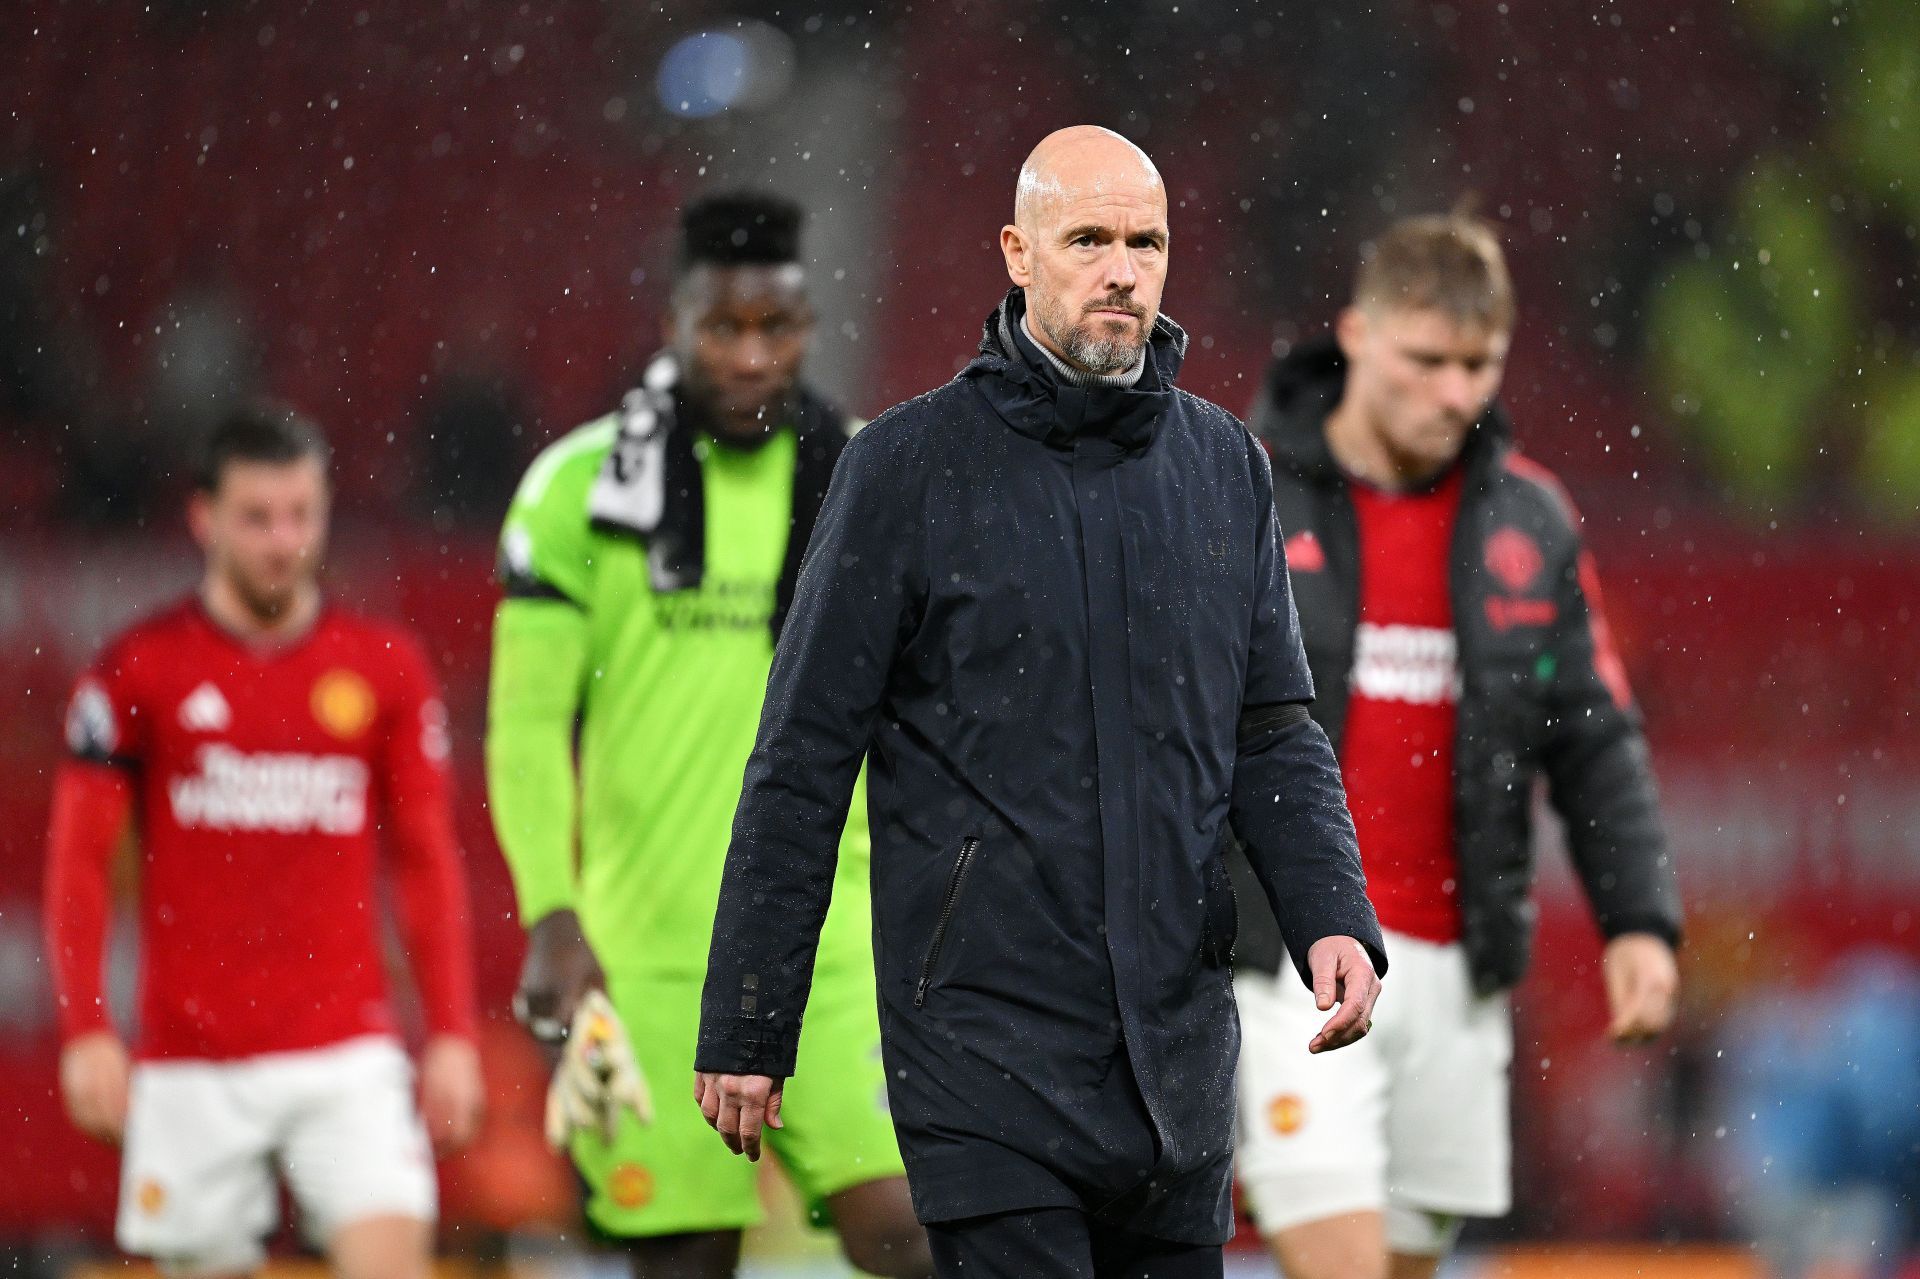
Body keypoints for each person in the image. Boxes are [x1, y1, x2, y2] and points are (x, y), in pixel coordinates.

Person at [693, 126, 1387, 1279]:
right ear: (1018, 253)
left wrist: (1332, 910)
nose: (1123, 268)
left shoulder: (1228, 468)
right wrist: (750, 1019)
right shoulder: (905, 469)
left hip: (1176, 1055)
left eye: (1146, 242)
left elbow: (1273, 729)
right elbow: (803, 759)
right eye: (1089, 239)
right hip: (982, 1053)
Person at [1230, 211, 1684, 1279]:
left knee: (1399, 1266)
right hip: (1293, 957)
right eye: (1426, 360)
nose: (1455, 393)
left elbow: (1596, 739)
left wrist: (1639, 918)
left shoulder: (1529, 522)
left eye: (1477, 364)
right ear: (1356, 336)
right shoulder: (1243, 493)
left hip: (1457, 969)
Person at [486, 192, 930, 1279]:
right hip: (651, 959)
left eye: (774, 329)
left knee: (922, 1234)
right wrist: (550, 911)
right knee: (686, 1263)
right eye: (722, 328)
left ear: (809, 329)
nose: (748, 355)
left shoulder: (872, 477)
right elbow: (528, 726)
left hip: (836, 951)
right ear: (674, 324)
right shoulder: (579, 492)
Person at [44, 406, 482, 1279]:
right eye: (257, 517)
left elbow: (427, 860)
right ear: (204, 517)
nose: (284, 540)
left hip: (345, 1048)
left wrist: (454, 1032)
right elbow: (78, 861)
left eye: (301, 514)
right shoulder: (139, 669)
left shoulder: (385, 666)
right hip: (190, 1058)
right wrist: (87, 1026)